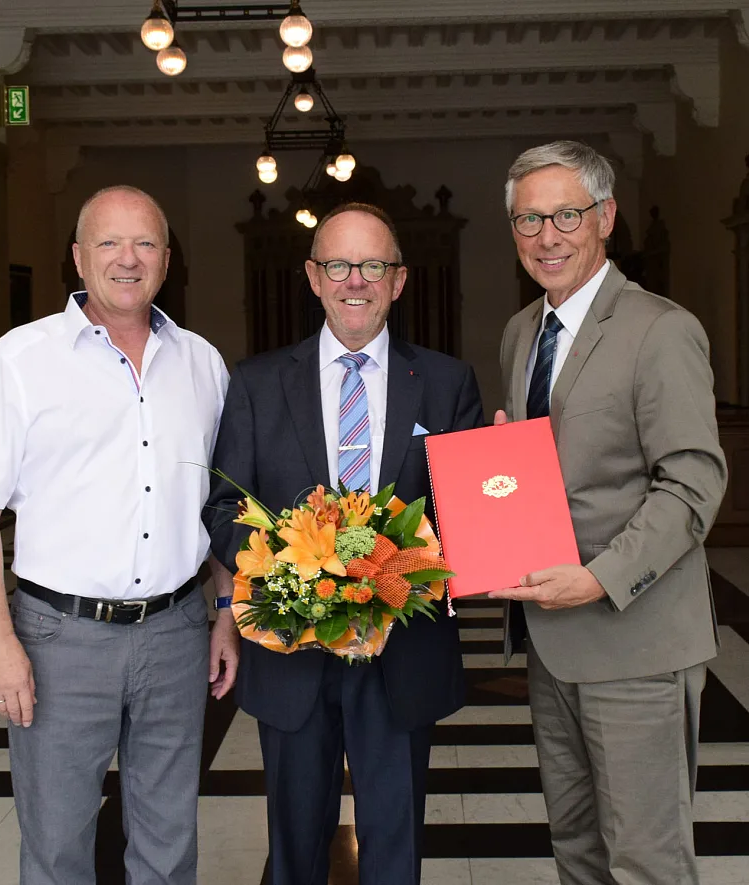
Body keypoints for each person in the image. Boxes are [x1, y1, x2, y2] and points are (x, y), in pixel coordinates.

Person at [0, 185, 238, 885]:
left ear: (166, 257)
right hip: (60, 640)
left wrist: (223, 608)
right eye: (109, 243)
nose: (129, 259)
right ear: (77, 257)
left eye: (146, 243)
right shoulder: (20, 360)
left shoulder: (202, 363)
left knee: (169, 841)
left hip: (178, 630)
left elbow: (216, 503)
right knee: (58, 844)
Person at [204, 202, 484, 885]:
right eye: (337, 264)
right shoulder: (257, 382)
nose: (354, 279)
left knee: (394, 844)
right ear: (312, 276)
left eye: (373, 265)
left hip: (403, 652)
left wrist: (403, 557)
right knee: (295, 846)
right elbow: (222, 505)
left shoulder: (448, 383)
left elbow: (465, 519)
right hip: (291, 654)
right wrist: (291, 566)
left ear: (399, 280)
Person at [490, 141, 727, 885]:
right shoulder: (521, 332)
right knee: (578, 849)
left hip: (637, 643)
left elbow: (692, 485)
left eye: (567, 214)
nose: (547, 236)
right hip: (552, 642)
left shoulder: (661, 329)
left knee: (646, 860)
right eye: (529, 219)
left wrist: (597, 578)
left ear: (606, 217)